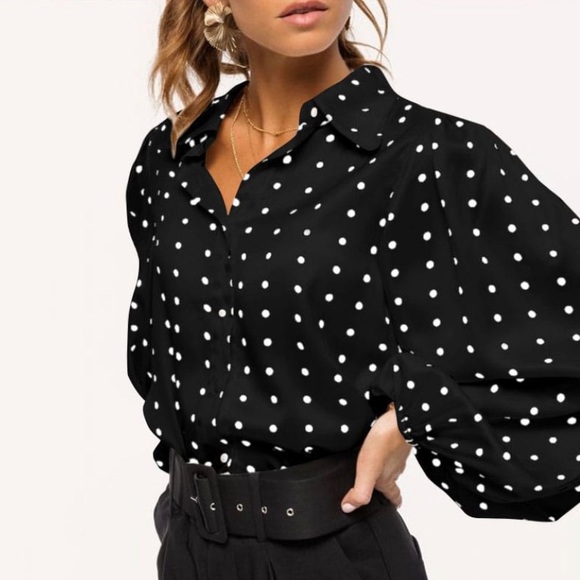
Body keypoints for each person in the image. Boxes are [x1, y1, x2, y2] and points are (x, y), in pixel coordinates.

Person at [124, 1, 580, 578]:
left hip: (333, 550)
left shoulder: (429, 154)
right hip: (187, 547)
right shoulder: (169, 159)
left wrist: (415, 415)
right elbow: (159, 357)